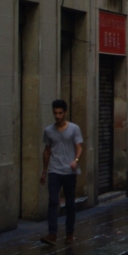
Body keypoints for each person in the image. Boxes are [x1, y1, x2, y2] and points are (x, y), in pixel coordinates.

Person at [41, 100, 83, 246]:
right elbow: (47, 151)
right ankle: (52, 233)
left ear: (65, 112)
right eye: (55, 113)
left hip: (69, 171)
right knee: (53, 201)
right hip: (54, 170)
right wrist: (44, 171)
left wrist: (75, 160)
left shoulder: (74, 129)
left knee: (70, 203)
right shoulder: (49, 131)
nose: (57, 116)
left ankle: (69, 233)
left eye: (60, 113)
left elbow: (79, 147)